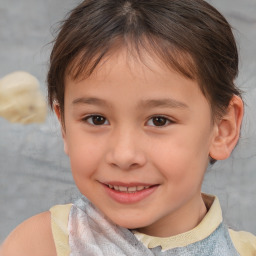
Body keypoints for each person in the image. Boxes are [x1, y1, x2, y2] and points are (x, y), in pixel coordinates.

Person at [1, 0, 256, 255]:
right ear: (64, 125)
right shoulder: (37, 246)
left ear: (223, 129)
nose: (123, 155)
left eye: (159, 120)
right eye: (96, 119)